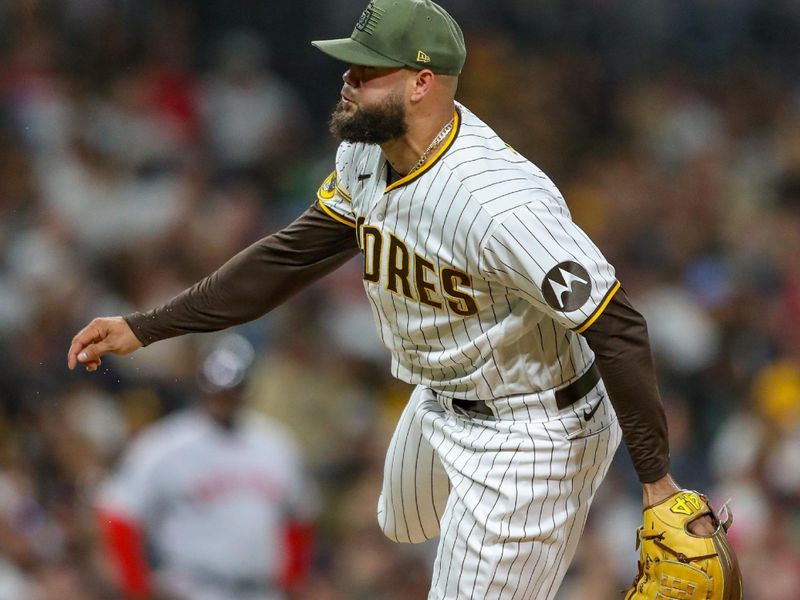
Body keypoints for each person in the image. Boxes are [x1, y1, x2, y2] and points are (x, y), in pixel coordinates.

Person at [70, 1, 730, 598]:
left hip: (534, 427)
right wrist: (146, 326)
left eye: (366, 72)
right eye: (349, 68)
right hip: (445, 394)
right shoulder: (367, 156)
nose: (347, 81)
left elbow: (616, 324)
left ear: (422, 83)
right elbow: (288, 256)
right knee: (399, 519)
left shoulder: (497, 203)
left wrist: (657, 485)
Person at [95, 335, 315, 600]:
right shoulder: (165, 445)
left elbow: (300, 517)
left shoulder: (275, 444)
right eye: (217, 391)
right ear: (201, 387)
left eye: (231, 391)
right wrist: (137, 588)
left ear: (246, 389)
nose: (223, 399)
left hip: (263, 590)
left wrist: (292, 580)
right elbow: (119, 513)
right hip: (194, 587)